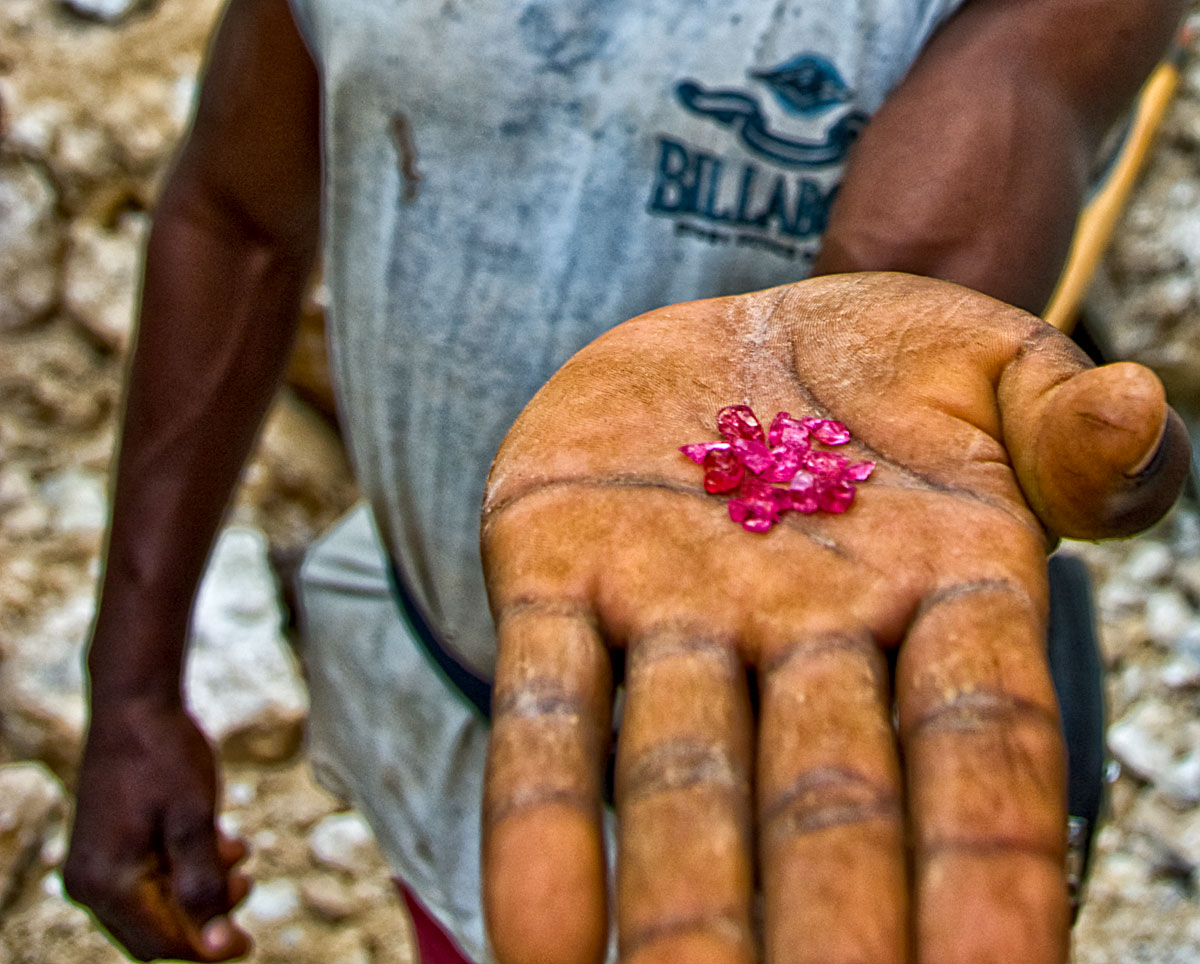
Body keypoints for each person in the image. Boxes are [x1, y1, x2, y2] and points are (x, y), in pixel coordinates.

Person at [62, 1, 1191, 963]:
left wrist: (873, 374)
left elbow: (922, 250)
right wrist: (132, 686)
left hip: (783, 744)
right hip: (444, 685)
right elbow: (238, 211)